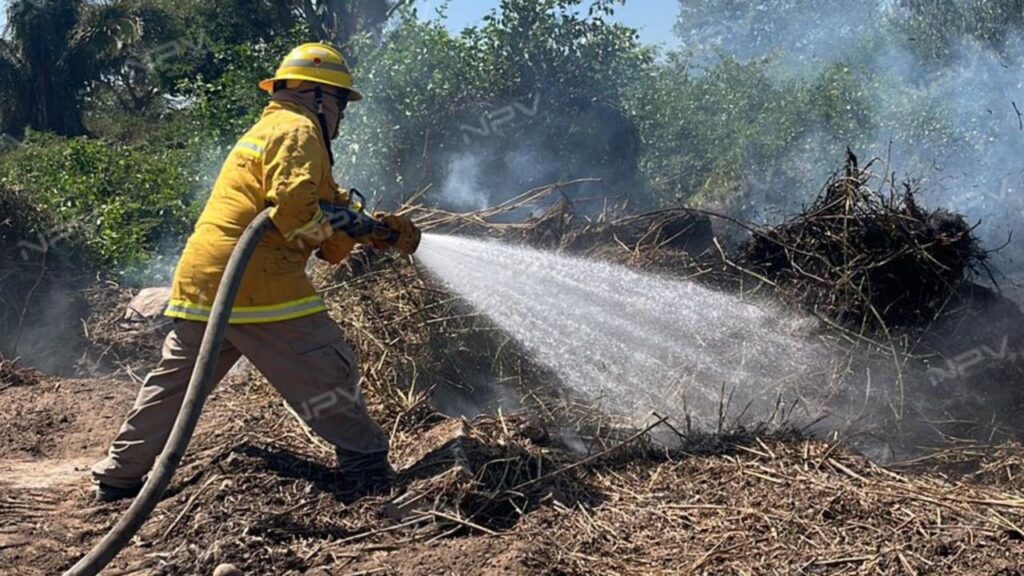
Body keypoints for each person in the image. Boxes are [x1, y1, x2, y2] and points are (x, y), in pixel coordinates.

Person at [91, 43, 418, 502]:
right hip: (256, 281)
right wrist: (347, 228)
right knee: (327, 366)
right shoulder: (299, 130)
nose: (342, 115)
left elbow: (318, 201)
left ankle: (119, 475)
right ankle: (367, 467)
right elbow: (295, 212)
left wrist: (369, 228)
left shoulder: (272, 129)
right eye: (341, 101)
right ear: (319, 96)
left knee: (173, 388)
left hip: (204, 279)